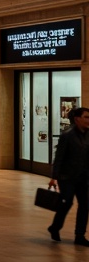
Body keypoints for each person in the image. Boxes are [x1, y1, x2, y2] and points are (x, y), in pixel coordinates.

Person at [46, 105, 89, 245]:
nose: (88, 120)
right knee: (67, 202)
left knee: (85, 205)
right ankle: (55, 227)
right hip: (67, 177)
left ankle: (80, 235)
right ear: (77, 119)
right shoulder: (67, 136)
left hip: (83, 177)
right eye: (86, 117)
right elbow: (59, 157)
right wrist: (54, 177)